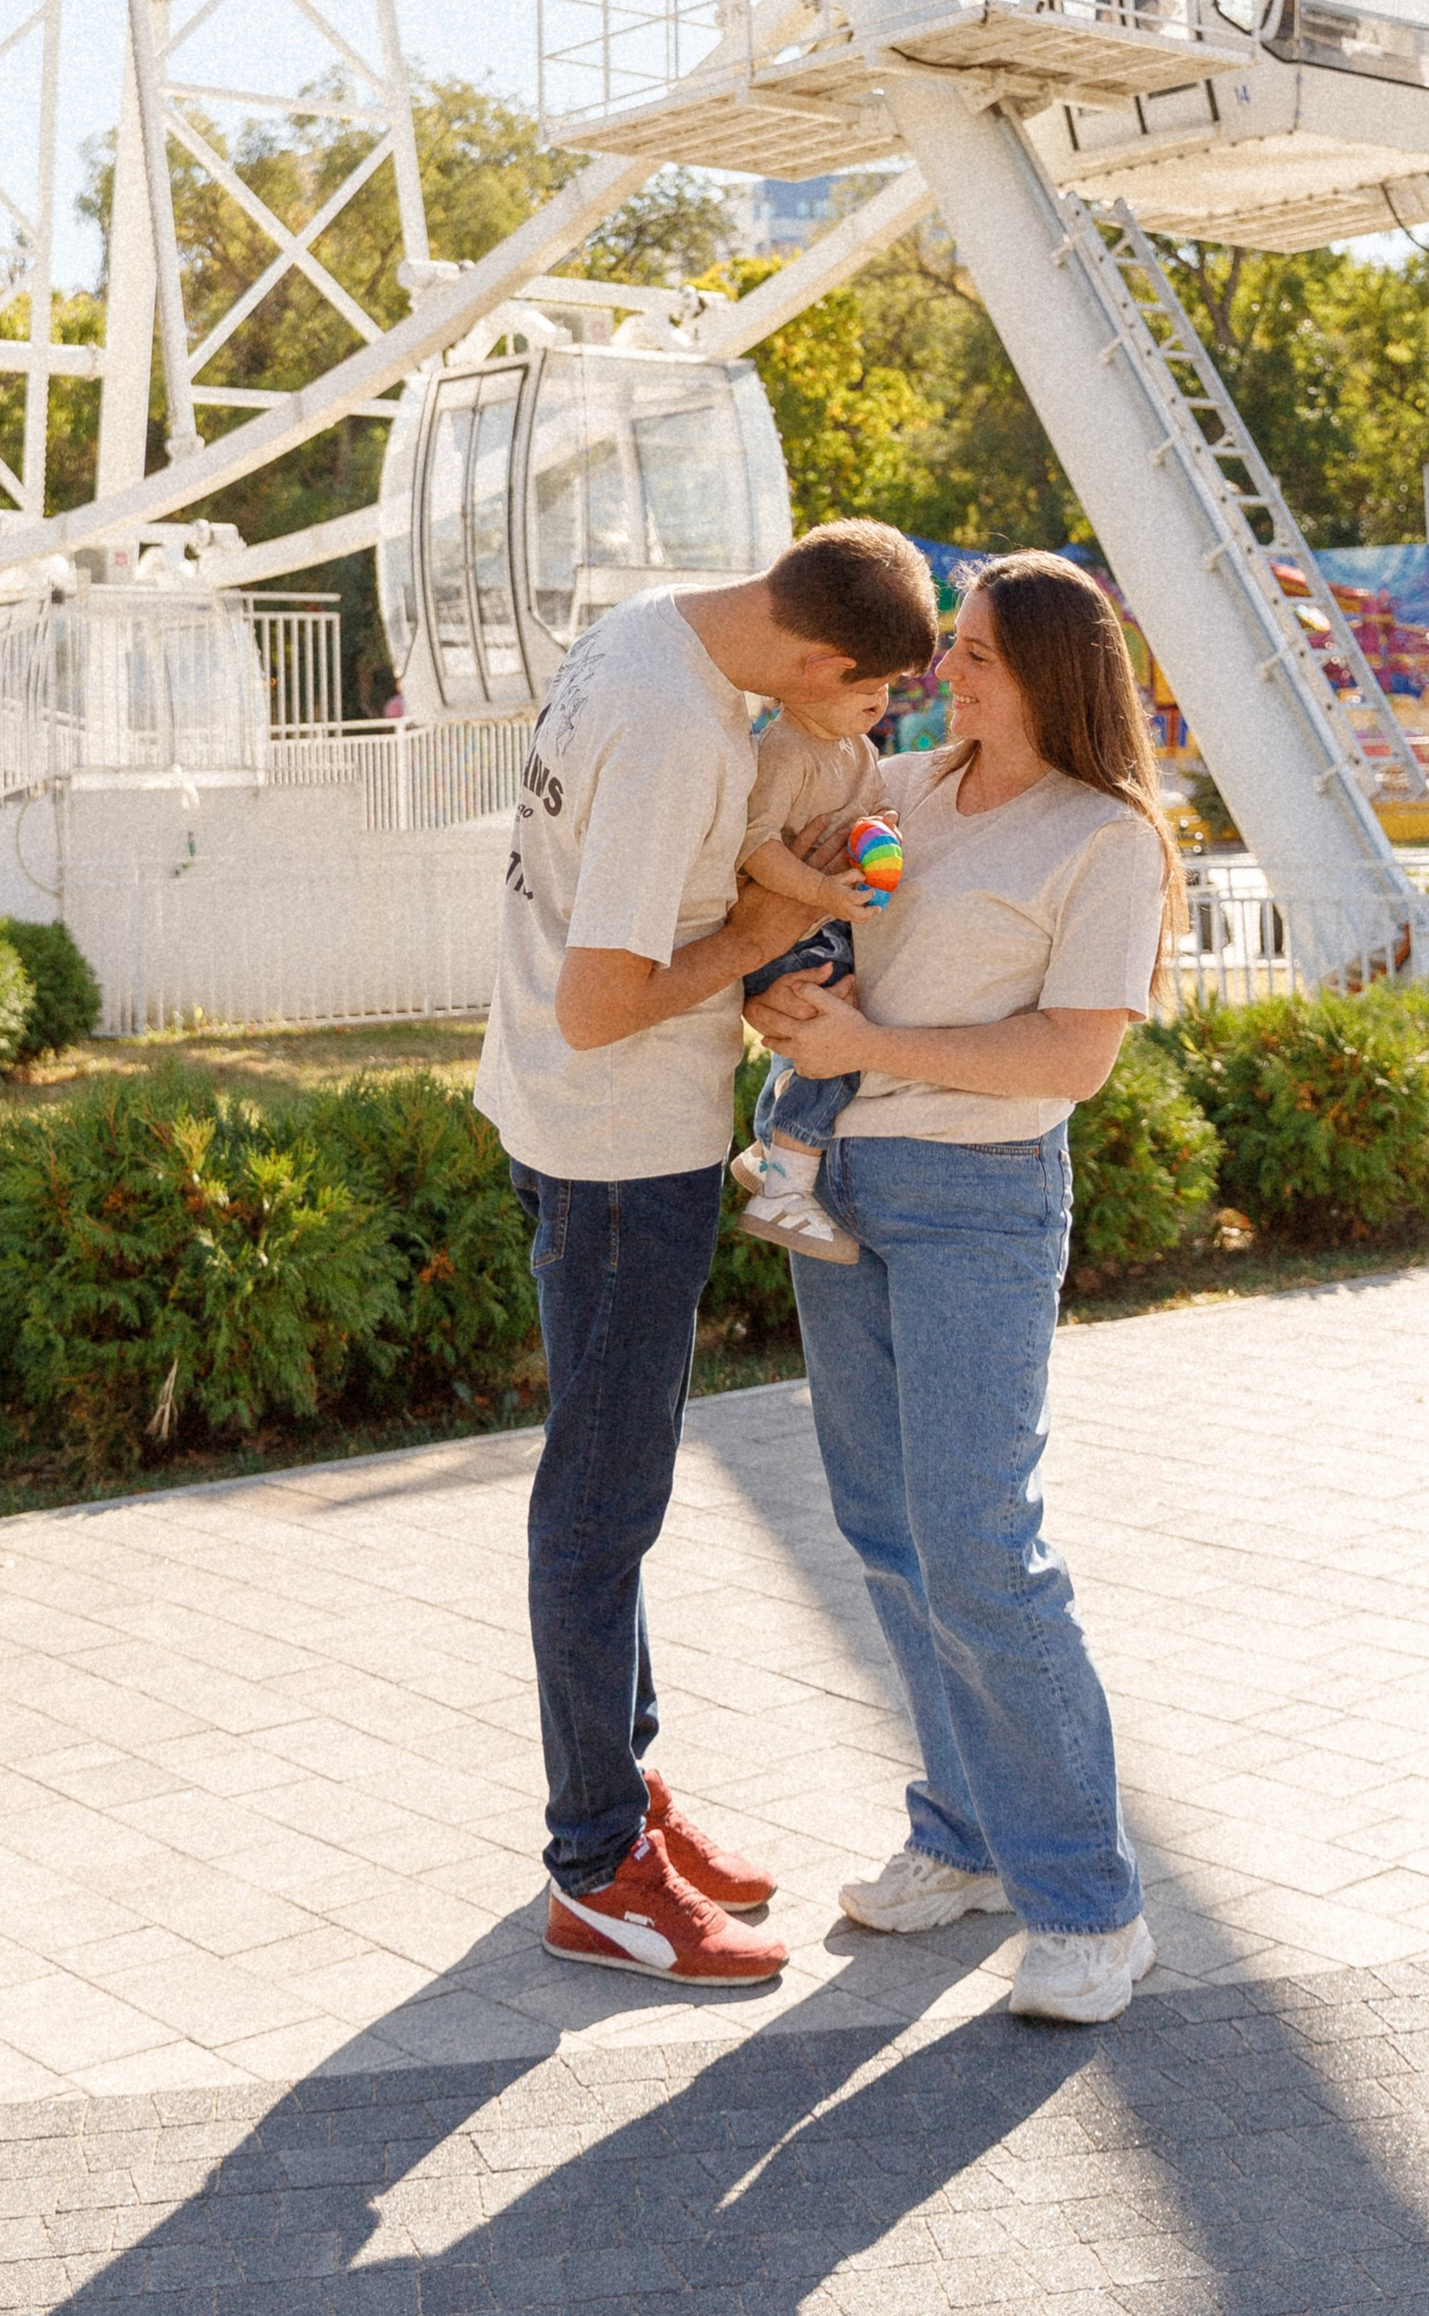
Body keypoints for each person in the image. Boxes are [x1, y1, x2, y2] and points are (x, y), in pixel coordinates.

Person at [475, 518, 942, 1989]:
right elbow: (602, 1004)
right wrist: (755, 931)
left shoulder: (649, 631)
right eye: (876, 698)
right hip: (620, 1144)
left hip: (555, 1123)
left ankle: (626, 1791)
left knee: (609, 1493)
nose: (881, 727)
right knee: (601, 1509)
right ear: (820, 658)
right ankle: (598, 1865)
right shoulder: (684, 732)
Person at [749, 550, 1177, 2027]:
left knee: (983, 1549)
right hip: (844, 1191)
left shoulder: (1105, 842)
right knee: (886, 1531)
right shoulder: (910, 793)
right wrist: (784, 999)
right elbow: (816, 936)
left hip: (980, 1206)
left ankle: (1092, 1911)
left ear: (1054, 671)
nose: (949, 671)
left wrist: (866, 1046)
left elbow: (1071, 1061)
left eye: (980, 651)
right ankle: (967, 1835)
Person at [725, 695, 902, 1268]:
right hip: (793, 931)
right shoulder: (785, 748)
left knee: (816, 1041)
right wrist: (824, 893)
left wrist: (880, 835)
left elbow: (877, 813)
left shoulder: (861, 746)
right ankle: (784, 1189)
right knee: (836, 1050)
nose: (877, 698)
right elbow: (756, 845)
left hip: (826, 927)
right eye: (863, 682)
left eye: (887, 682)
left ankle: (767, 1146)